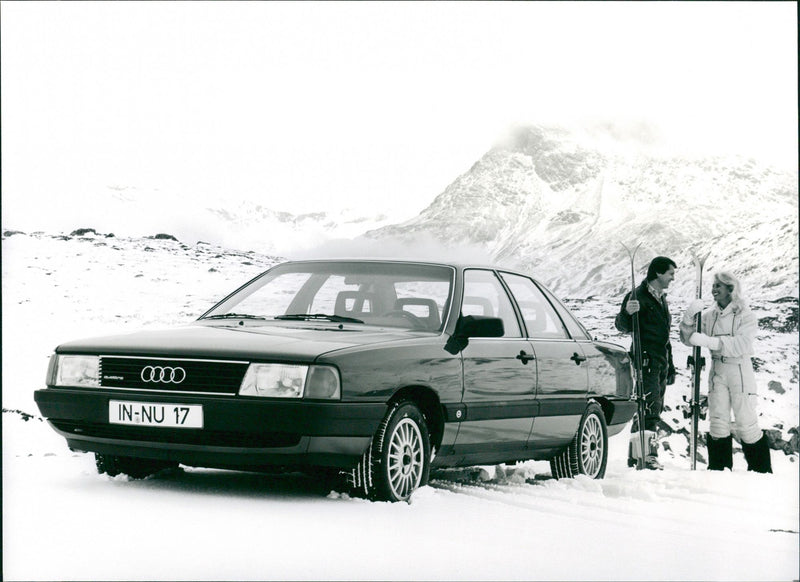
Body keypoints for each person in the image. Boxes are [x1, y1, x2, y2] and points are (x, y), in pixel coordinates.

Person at [679, 271, 772, 473]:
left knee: (745, 422)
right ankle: (718, 470)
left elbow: (743, 343)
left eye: (718, 286)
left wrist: (710, 342)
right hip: (717, 369)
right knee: (718, 420)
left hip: (739, 369)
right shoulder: (710, 316)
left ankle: (761, 471)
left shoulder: (745, 315)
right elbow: (688, 339)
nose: (713, 290)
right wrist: (688, 320)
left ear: (731, 289)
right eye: (713, 286)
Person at [615, 256, 678, 470]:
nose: (673, 278)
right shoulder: (636, 296)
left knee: (650, 407)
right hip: (645, 360)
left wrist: (670, 366)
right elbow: (622, 325)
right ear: (659, 273)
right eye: (671, 273)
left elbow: (665, 336)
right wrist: (627, 312)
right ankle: (648, 456)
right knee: (649, 408)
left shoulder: (660, 298)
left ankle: (635, 456)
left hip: (660, 362)